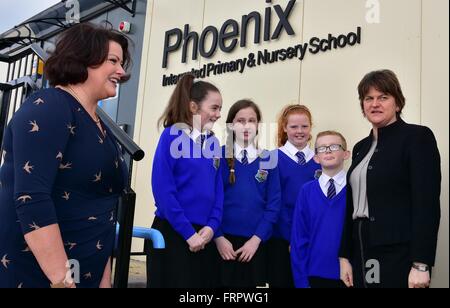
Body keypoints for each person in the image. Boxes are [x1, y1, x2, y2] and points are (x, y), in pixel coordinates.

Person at [0, 22, 131, 288]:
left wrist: (104, 280)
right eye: (113, 61)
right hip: (40, 276)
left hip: (88, 271)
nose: (121, 71)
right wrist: (62, 280)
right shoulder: (50, 106)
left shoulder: (99, 124)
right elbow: (32, 198)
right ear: (84, 59)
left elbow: (102, 207)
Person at [339, 69, 441, 288]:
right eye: (369, 98)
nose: (375, 104)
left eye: (383, 97)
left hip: (398, 253)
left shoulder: (417, 138)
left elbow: (427, 204)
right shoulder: (360, 147)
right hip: (362, 248)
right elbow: (351, 205)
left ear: (397, 103)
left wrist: (421, 264)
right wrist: (345, 257)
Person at [149, 74, 223, 288]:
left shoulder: (214, 143)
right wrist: (188, 233)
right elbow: (164, 191)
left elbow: (218, 191)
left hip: (205, 237)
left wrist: (212, 226)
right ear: (193, 107)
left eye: (220, 109)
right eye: (214, 108)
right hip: (174, 235)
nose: (218, 115)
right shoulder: (171, 136)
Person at [214, 100, 281, 288]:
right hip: (222, 243)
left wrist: (256, 240)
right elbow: (210, 200)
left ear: (258, 126)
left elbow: (273, 205)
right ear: (230, 125)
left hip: (255, 244)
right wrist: (218, 237)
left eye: (252, 120)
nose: (246, 125)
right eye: (240, 120)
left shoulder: (268, 159)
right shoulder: (218, 155)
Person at [266, 104, 321, 288]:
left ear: (311, 127)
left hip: (312, 240)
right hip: (281, 240)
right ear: (284, 127)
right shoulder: (271, 158)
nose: (300, 131)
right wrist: (292, 238)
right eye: (294, 126)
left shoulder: (320, 160)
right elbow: (272, 202)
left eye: (304, 126)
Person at [291, 131, 350, 288]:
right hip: (314, 275)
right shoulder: (306, 191)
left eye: (334, 146)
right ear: (316, 158)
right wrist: (301, 282)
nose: (328, 150)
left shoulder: (356, 188)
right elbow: (299, 240)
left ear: (346, 154)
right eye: (322, 148)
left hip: (349, 274)